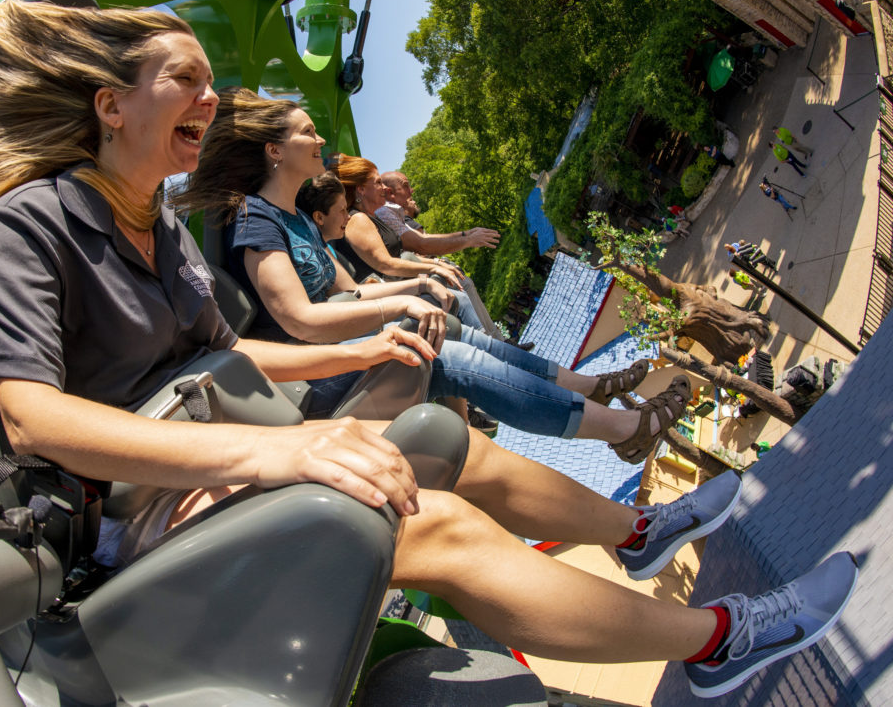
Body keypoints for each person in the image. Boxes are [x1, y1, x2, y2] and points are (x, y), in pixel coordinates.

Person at [0, 0, 856, 700]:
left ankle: (635, 535)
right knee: (422, 521)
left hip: (222, 452)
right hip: (133, 517)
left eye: (212, 88)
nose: (210, 103)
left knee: (434, 427)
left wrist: (372, 338)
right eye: (187, 82)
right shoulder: (27, 225)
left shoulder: (163, 230)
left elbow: (238, 361)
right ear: (110, 104)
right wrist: (279, 451)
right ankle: (720, 641)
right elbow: (32, 416)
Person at [179, 86, 693, 462]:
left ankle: (590, 388)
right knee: (442, 351)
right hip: (317, 377)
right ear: (275, 150)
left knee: (450, 327)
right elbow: (300, 321)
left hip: (347, 342)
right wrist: (402, 302)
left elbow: (351, 290)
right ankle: (623, 428)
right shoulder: (256, 219)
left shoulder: (295, 216)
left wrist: (420, 286)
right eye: (307, 132)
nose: (319, 140)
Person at [379, 169, 507, 343]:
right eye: (406, 186)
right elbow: (421, 245)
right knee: (460, 292)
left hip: (412, 277)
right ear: (389, 193)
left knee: (463, 284)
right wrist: (465, 241)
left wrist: (466, 235)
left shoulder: (390, 214)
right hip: (401, 287)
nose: (411, 191)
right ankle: (494, 344)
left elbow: (422, 240)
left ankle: (498, 342)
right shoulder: (381, 213)